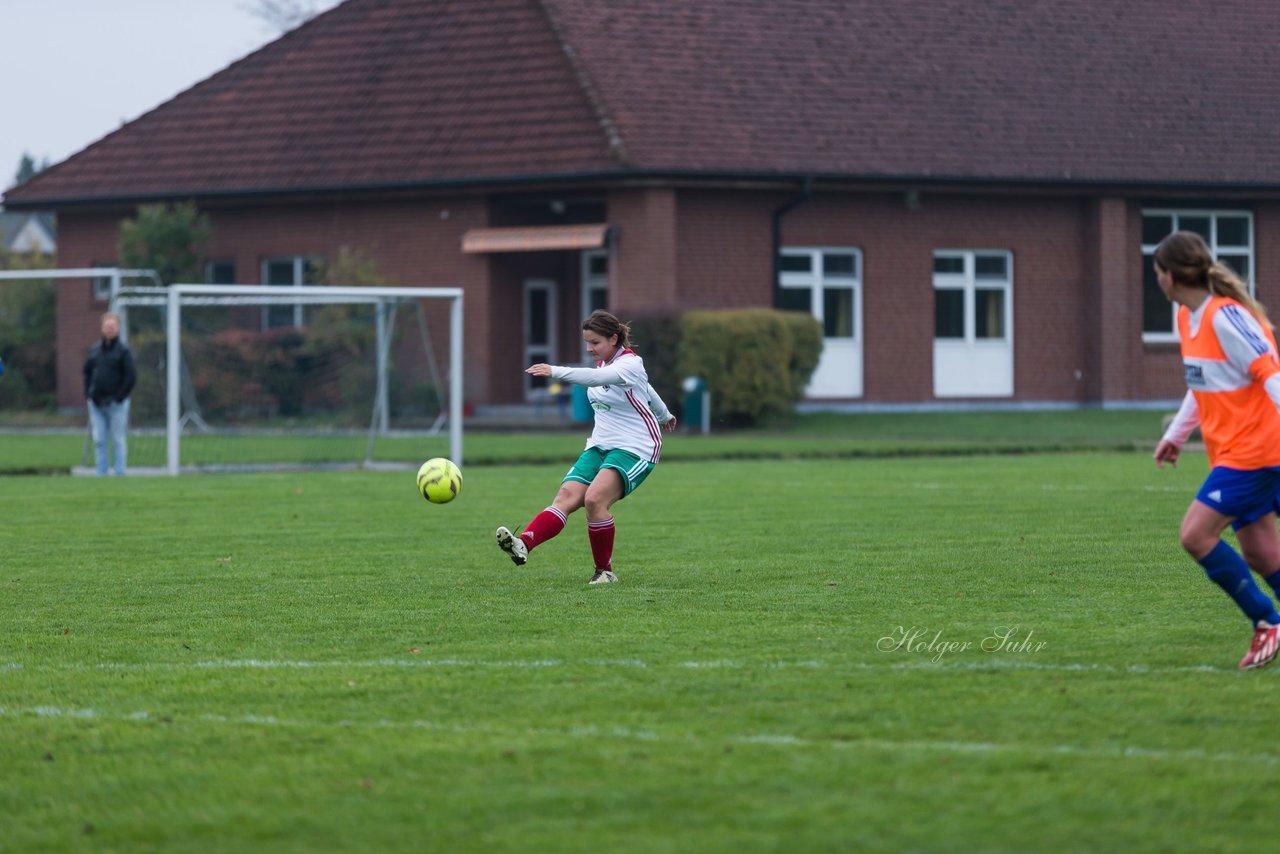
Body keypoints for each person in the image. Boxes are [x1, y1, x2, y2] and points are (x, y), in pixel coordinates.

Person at [1153, 230, 1280, 669]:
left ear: (1168, 275)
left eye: (1156, 271)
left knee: (1195, 534)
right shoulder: (1186, 318)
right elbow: (1200, 384)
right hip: (1231, 453)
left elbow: (1272, 374)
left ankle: (1266, 622)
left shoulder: (1226, 317)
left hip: (1257, 453)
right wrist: (1177, 434)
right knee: (1263, 555)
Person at [496, 309, 677, 584]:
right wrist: (665, 415)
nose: (590, 349)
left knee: (594, 499)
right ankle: (524, 544)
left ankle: (604, 571)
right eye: (587, 343)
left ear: (614, 339)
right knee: (566, 497)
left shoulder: (630, 364)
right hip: (600, 445)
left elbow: (597, 380)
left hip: (635, 447)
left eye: (595, 343)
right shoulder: (606, 365)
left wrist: (554, 371)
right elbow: (647, 390)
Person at [83, 312, 136, 476]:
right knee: (99, 439)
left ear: (118, 328)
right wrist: (89, 394)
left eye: (112, 326)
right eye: (107, 326)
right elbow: (87, 372)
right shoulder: (95, 350)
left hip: (117, 404)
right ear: (102, 328)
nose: (109, 329)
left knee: (118, 439)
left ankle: (120, 473)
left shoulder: (124, 351)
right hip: (97, 403)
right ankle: (101, 473)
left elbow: (131, 376)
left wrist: (119, 396)